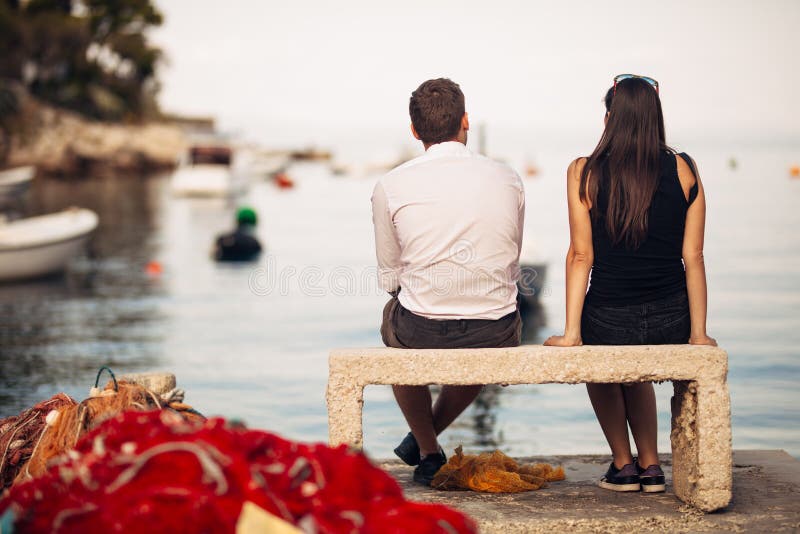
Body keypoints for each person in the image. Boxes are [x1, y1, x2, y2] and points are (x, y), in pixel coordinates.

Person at [544, 74, 717, 493]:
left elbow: (580, 255)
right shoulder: (684, 168)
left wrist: (572, 334)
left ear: (609, 119)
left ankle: (623, 465)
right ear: (656, 118)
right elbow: (692, 256)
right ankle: (652, 467)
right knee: (635, 368)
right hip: (672, 319)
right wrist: (697, 334)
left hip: (608, 317)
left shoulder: (583, 172)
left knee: (604, 364)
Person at [371, 78, 525, 486]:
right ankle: (425, 444)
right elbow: (511, 258)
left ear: (414, 130)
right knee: (488, 323)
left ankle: (427, 448)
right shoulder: (507, 177)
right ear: (465, 121)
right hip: (495, 328)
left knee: (395, 326)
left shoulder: (391, 184)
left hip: (422, 326)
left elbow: (389, 275)